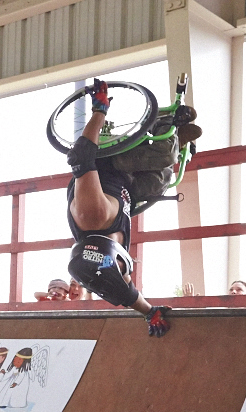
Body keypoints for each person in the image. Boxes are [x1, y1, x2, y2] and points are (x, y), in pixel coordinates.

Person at [65, 79, 173, 337]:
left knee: (165, 155)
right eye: (125, 271)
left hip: (107, 159)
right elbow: (124, 291)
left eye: (123, 271)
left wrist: (99, 111)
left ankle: (166, 119)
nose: (127, 273)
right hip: (127, 192)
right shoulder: (107, 261)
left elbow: (80, 158)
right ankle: (176, 140)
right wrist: (150, 312)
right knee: (162, 181)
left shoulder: (92, 215)